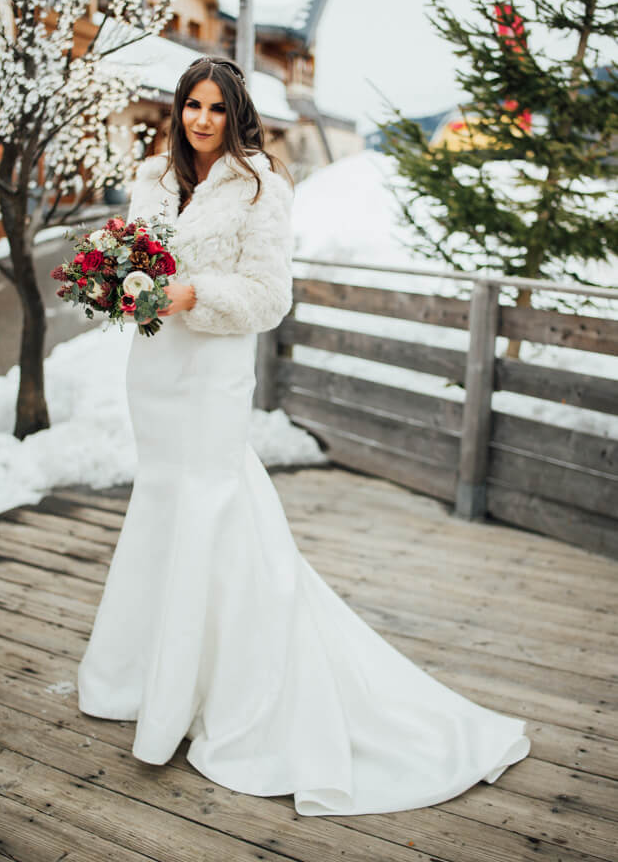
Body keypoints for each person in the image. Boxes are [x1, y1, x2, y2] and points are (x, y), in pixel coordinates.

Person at [77, 55, 531, 816]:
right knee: (161, 512)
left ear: (238, 114)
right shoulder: (154, 176)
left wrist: (194, 293)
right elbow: (138, 258)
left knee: (214, 513)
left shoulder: (261, 184)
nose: (202, 120)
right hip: (153, 374)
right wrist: (114, 280)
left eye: (218, 108)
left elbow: (269, 296)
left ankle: (224, 693)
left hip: (212, 375)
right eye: (193, 104)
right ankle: (146, 679)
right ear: (178, 108)